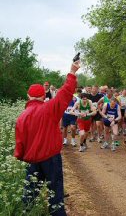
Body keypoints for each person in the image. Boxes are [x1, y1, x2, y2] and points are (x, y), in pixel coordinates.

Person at [14, 60, 80, 216]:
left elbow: (19, 144)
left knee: (29, 194)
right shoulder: (49, 108)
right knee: (55, 192)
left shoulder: (21, 117)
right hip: (51, 158)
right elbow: (65, 93)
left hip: (32, 160)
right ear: (44, 96)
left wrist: (21, 156)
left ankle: (27, 213)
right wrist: (72, 72)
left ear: (28, 96)